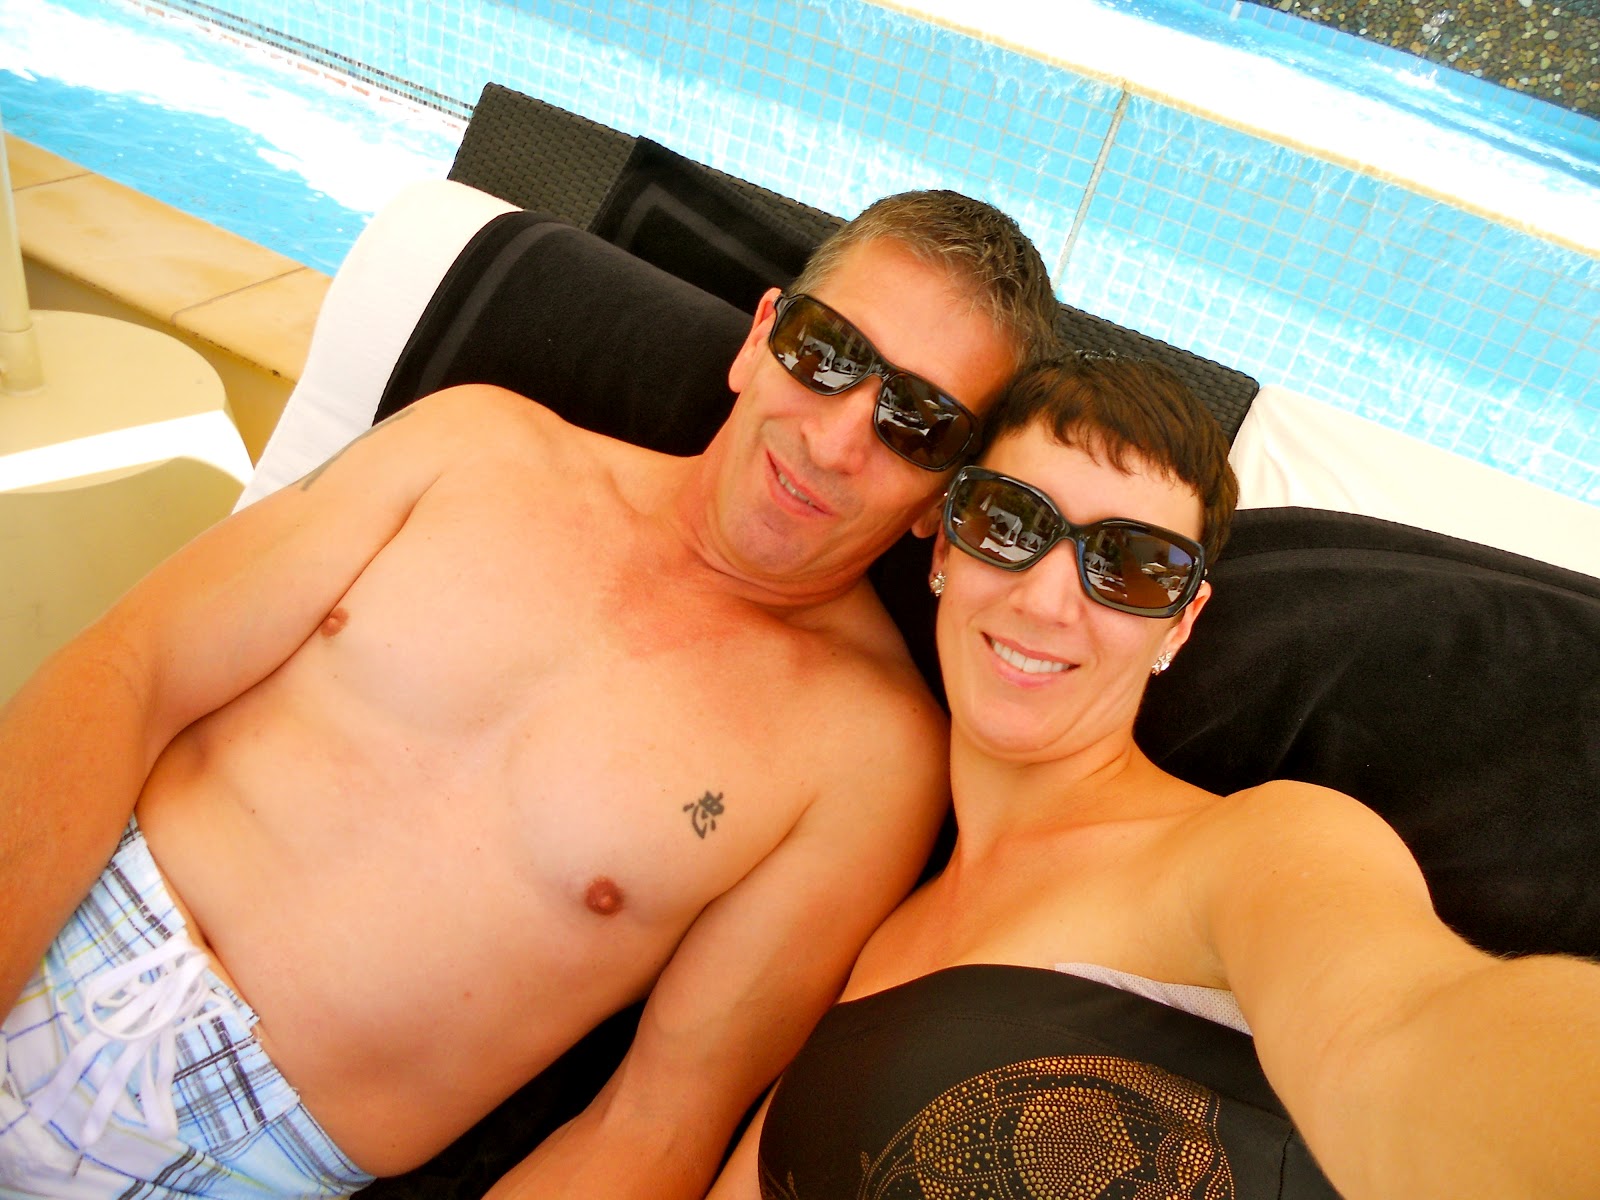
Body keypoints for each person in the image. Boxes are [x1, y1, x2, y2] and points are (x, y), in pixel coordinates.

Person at [0, 190, 1060, 1199]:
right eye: (827, 353)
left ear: (939, 502)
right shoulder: (478, 446)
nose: (834, 441)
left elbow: (651, 1126)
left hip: (239, 1160)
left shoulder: (863, 758)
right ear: (760, 338)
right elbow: (131, 670)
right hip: (48, 913)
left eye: (917, 424)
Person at [707, 354, 1600, 1200]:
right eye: (1009, 523)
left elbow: (1398, 1036)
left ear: (1181, 622)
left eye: (1131, 568)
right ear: (945, 545)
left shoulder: (1254, 848)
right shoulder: (879, 929)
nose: (1045, 599)